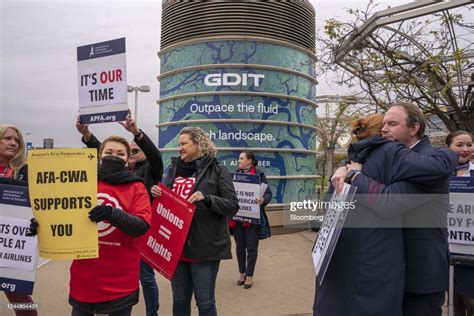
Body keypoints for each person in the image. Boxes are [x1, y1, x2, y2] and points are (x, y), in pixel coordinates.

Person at [313, 113, 457, 316]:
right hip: (383, 271)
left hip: (418, 272)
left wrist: (355, 175)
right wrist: (345, 169)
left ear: (413, 128)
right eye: (384, 125)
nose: (385, 130)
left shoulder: (424, 164)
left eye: (392, 124)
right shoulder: (366, 161)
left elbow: (390, 201)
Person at [76, 114, 162, 316]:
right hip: (86, 270)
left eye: (124, 153)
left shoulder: (145, 175)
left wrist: (136, 133)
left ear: (127, 158)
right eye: (109, 153)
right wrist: (87, 135)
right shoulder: (85, 180)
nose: (115, 156)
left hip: (129, 249)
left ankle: (152, 312)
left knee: (147, 278)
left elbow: (155, 157)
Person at [151, 127, 239, 316]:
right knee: (180, 300)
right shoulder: (171, 168)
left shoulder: (217, 169)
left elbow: (232, 205)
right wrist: (156, 194)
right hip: (175, 247)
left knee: (205, 303)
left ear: (199, 144)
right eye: (178, 144)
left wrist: (208, 199)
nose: (179, 148)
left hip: (205, 249)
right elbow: (165, 202)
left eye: (183, 143)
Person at [0, 124, 38, 316]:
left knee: (20, 299)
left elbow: (30, 193)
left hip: (11, 244)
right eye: (7, 138)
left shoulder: (23, 168)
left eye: (17, 140)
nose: (13, 143)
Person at [228, 150, 272, 289]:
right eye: (239, 158)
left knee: (252, 248)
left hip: (252, 219)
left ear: (250, 161)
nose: (238, 160)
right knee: (240, 247)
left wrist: (263, 199)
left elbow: (268, 193)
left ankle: (249, 275)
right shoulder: (235, 175)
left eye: (241, 158)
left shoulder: (259, 175)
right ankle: (242, 272)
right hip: (238, 219)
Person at [446, 131, 474, 316]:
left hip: (470, 249)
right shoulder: (438, 173)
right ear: (448, 148)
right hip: (447, 247)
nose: (465, 149)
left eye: (469, 144)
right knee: (454, 303)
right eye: (459, 145)